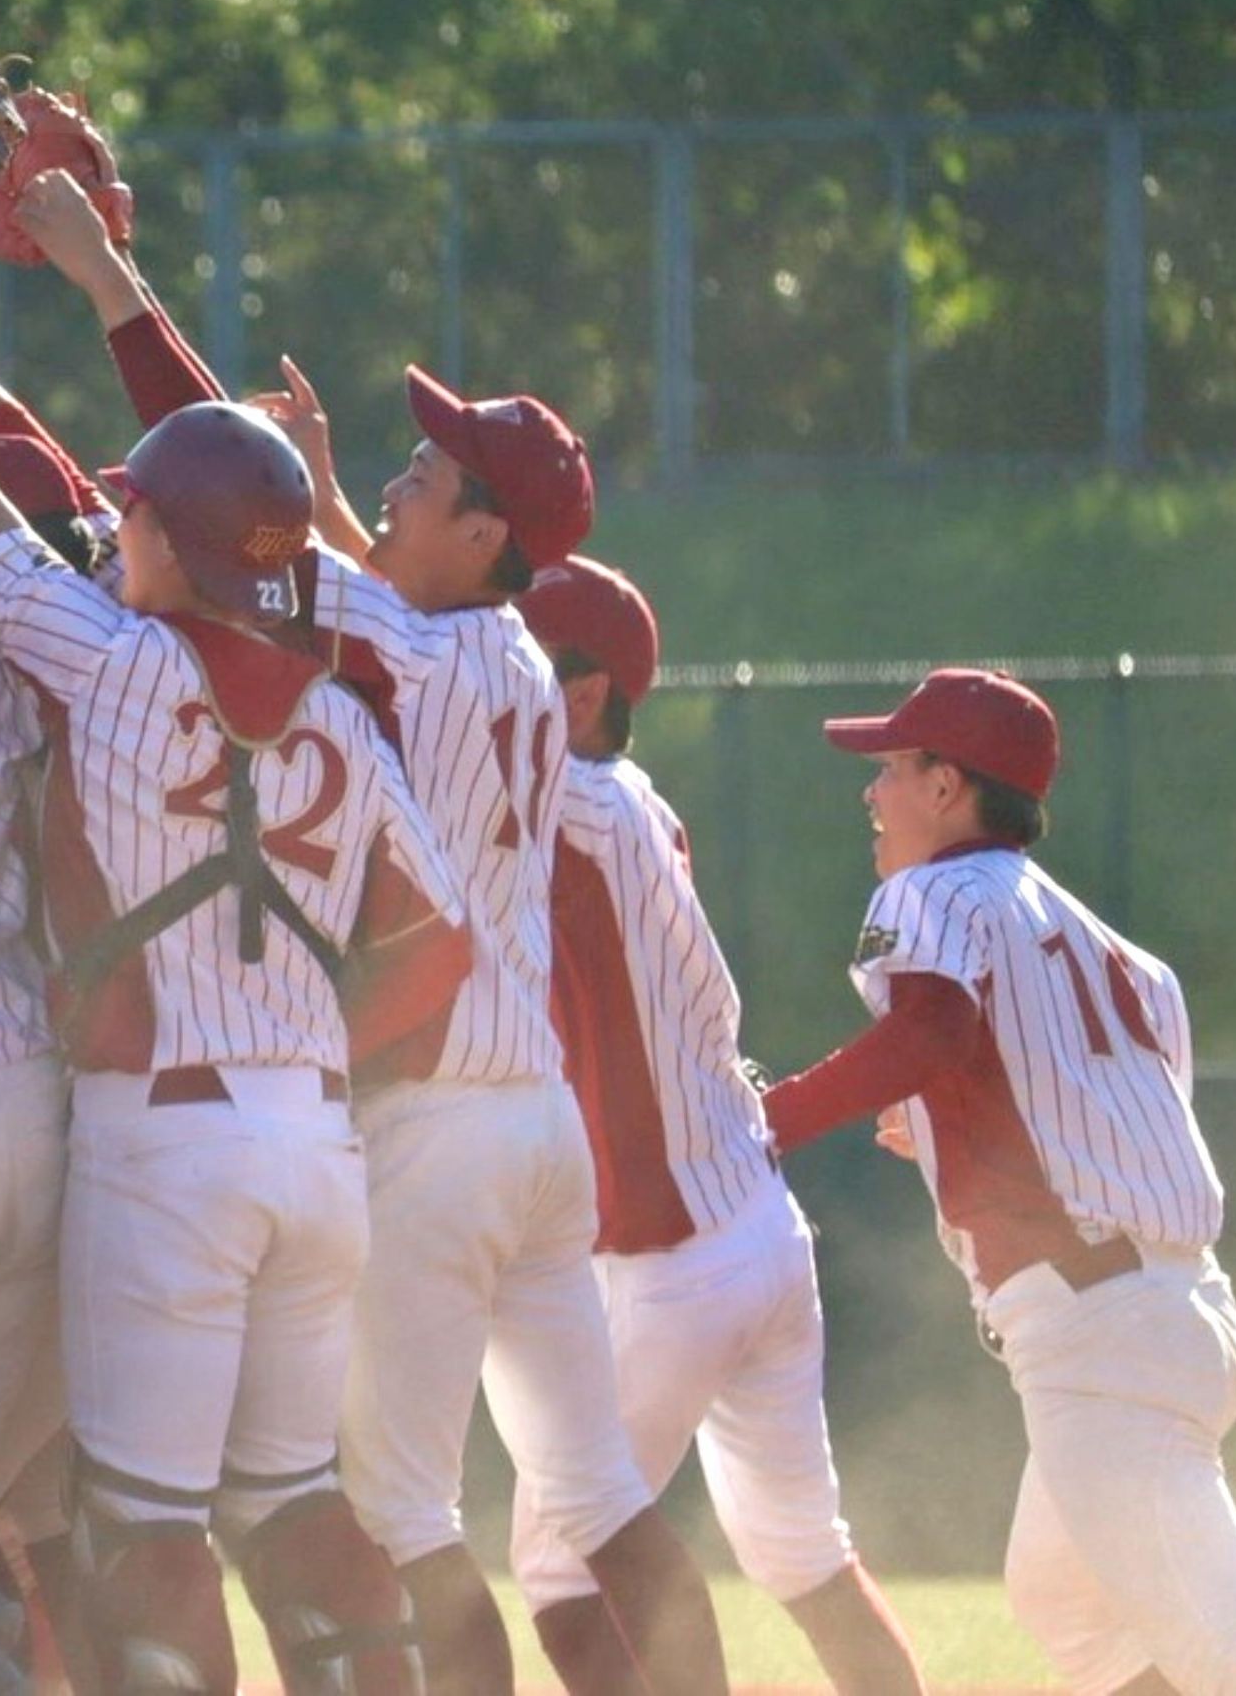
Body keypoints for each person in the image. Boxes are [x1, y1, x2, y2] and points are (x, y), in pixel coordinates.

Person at [37, 167, 727, 1695]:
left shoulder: (406, 641)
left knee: (389, 1507)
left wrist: (107, 283)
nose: (400, 479)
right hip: (534, 1117)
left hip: (431, 1123)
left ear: (487, 534)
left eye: (432, 471)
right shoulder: (519, 658)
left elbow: (224, 506)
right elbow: (283, 531)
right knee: (598, 1490)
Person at [0, 233, 472, 1695]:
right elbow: (446, 938)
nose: (120, 529)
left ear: (184, 543)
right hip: (313, 1137)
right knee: (294, 1502)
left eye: (138, 513)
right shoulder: (341, 713)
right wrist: (320, 1031)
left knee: (144, 1526)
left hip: (167, 1137)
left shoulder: (125, 663)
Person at [766, 667, 1236, 1696]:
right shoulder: (1125, 956)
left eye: (890, 767)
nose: (870, 792)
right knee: (1068, 1606)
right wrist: (943, 1126)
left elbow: (928, 1029)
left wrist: (766, 1121)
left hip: (1095, 1327)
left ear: (947, 786)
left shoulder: (926, 888)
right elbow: (1100, 1110)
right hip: (1172, 1306)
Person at [511, 555, 923, 1695]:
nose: (484, 674)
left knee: (558, 1566)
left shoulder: (559, 806)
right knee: (805, 1555)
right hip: (756, 1226)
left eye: (513, 658)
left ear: (580, 693)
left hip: (669, 1254)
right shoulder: (636, 797)